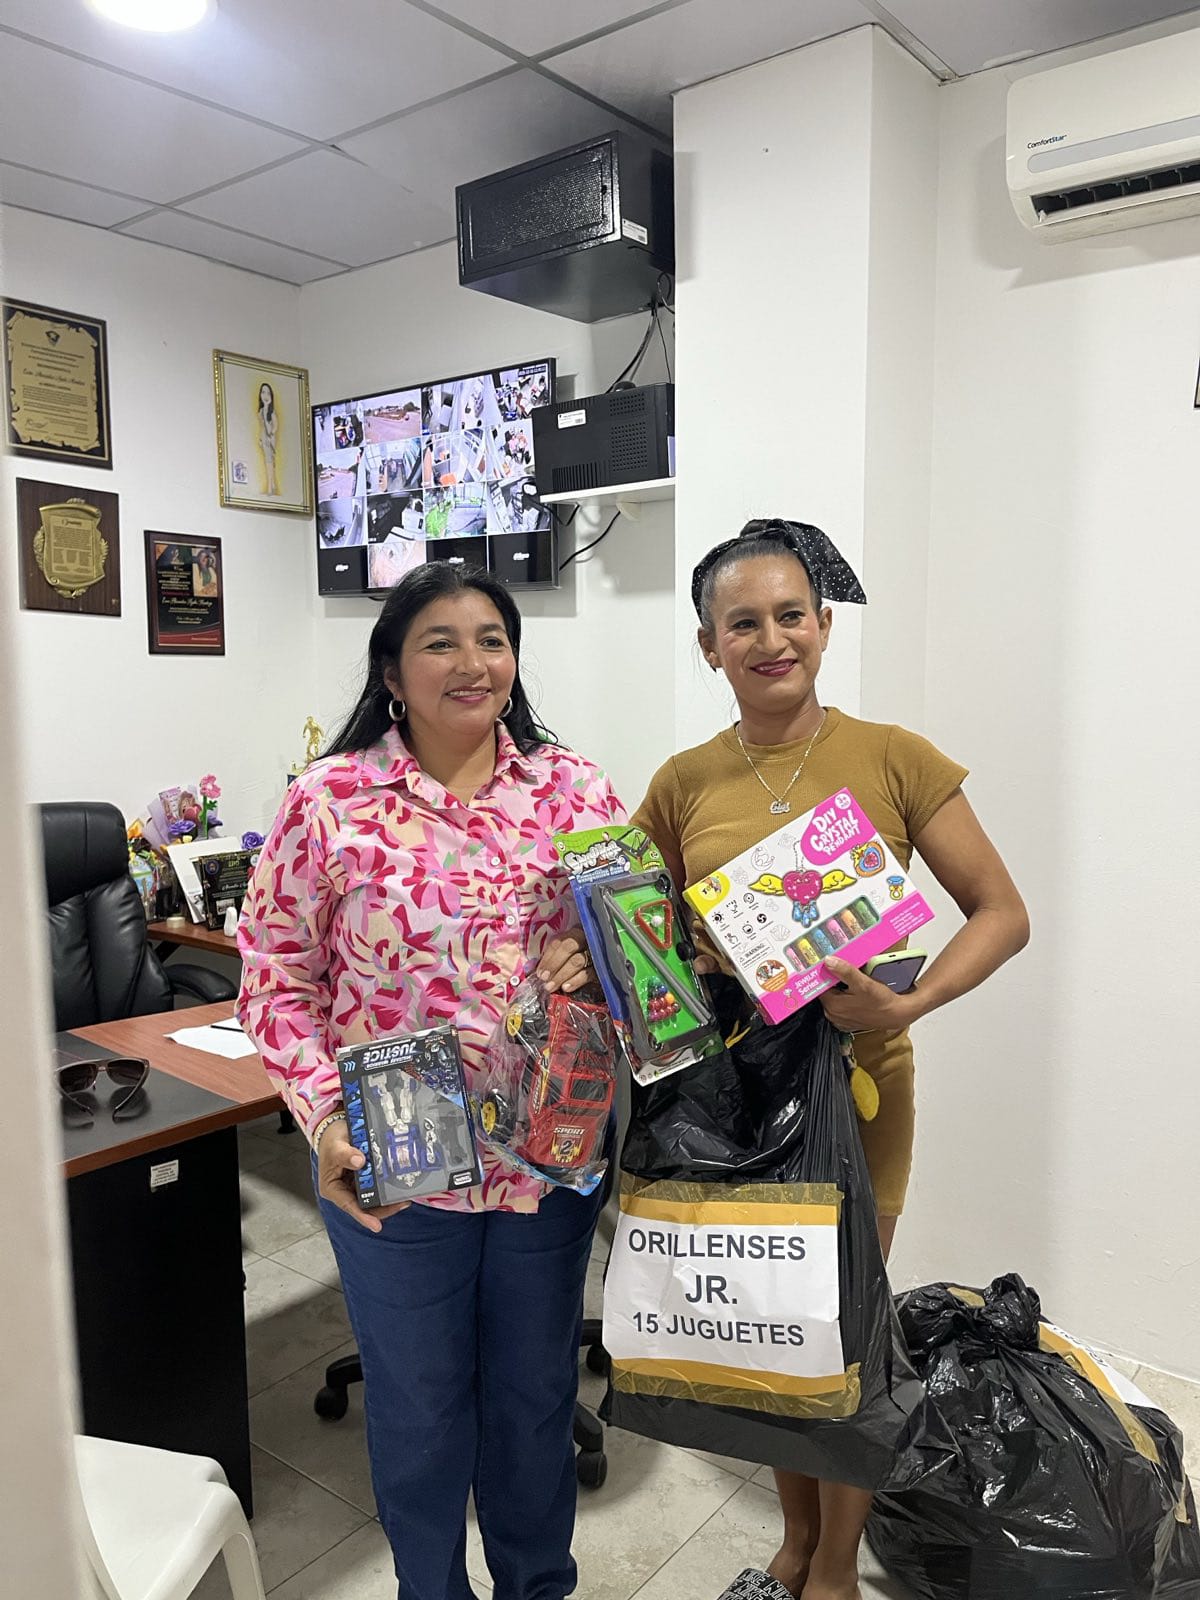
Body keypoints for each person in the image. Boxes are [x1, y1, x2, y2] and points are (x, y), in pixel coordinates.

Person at [633, 518, 1029, 1600]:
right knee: (774, 1332)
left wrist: (908, 999)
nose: (772, 640)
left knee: (843, 1330)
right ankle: (796, 1542)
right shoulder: (682, 781)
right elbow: (638, 929)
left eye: (791, 615)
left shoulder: (895, 756)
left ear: (824, 625)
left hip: (859, 1090)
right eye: (742, 623)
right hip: (739, 1097)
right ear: (709, 645)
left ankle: (837, 1569)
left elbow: (1001, 911)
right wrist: (669, 958)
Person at [236, 561, 624, 1600]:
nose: (472, 662)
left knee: (535, 1399)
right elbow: (274, 979)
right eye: (440, 641)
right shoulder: (329, 800)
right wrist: (324, 1118)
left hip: (546, 1152)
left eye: (492, 639)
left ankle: (537, 1586)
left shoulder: (575, 788)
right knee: (418, 1408)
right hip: (396, 1149)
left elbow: (644, 948)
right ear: (392, 672)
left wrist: (602, 956)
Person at [257, 381, 279, 496]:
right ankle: (272, 484)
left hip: (270, 438)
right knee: (268, 461)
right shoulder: (261, 411)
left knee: (270, 461)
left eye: (268, 393)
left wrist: (271, 435)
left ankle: (271, 486)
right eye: (263, 392)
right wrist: (261, 439)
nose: (265, 395)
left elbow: (274, 426)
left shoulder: (271, 412)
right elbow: (262, 426)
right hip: (264, 438)